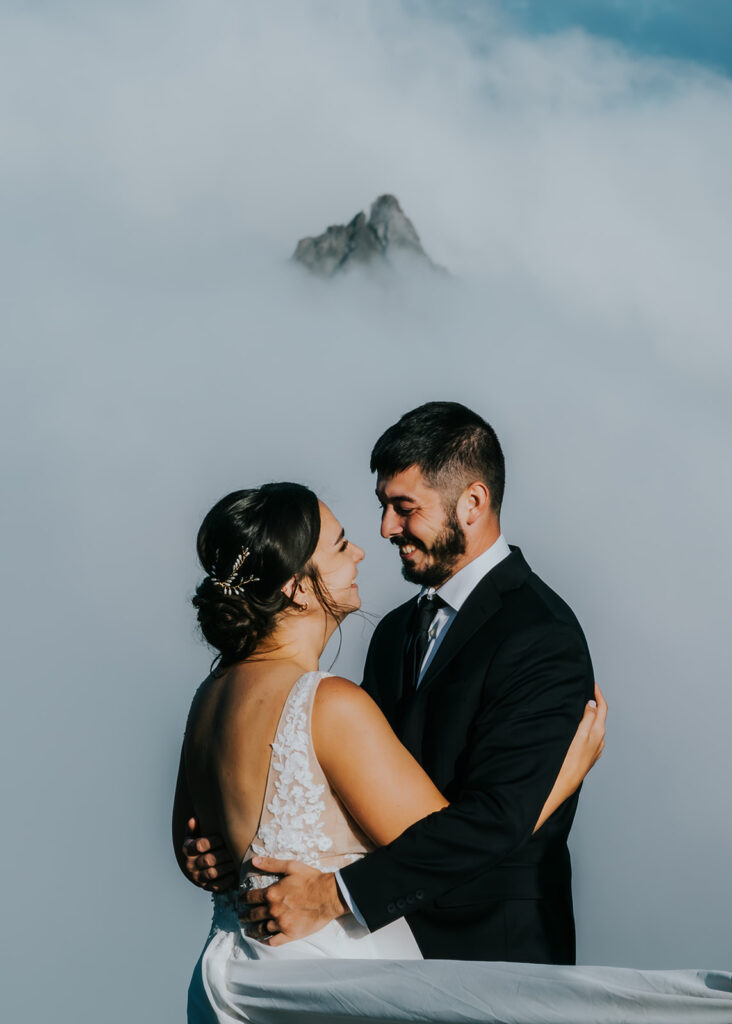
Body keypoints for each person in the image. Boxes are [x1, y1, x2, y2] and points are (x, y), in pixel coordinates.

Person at [174, 479, 607, 1023]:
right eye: (340, 545)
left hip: (236, 977)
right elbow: (441, 848)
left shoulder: (208, 697)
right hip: (329, 980)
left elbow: (194, 848)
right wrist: (554, 786)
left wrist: (206, 858)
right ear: (299, 589)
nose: (361, 550)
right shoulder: (329, 704)